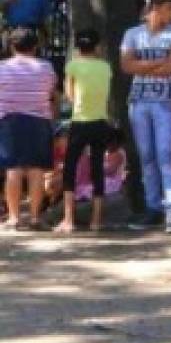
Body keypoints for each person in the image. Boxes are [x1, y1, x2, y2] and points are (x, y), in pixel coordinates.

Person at [121, 0, 171, 233]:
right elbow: (126, 65)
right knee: (146, 155)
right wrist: (160, 64)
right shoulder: (132, 34)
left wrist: (143, 67)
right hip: (138, 101)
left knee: (165, 154)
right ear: (155, 8)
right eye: (169, 8)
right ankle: (153, 207)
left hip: (164, 102)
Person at [0, 28, 58, 230]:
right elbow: (51, 93)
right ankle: (35, 217)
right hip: (39, 121)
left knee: (13, 169)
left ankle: (14, 217)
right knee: (36, 170)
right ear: (35, 46)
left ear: (11, 46)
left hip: (10, 121)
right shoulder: (46, 67)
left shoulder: (2, 68)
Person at [59, 28, 113, 233]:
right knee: (97, 167)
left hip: (80, 121)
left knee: (70, 168)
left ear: (78, 47)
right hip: (100, 121)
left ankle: (68, 220)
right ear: (97, 46)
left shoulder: (73, 66)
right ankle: (97, 220)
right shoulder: (105, 67)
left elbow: (70, 96)